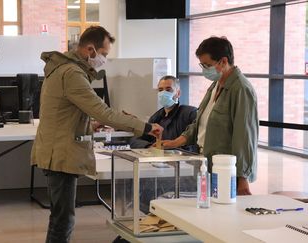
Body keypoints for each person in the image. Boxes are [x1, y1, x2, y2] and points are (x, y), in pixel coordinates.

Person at [31, 26, 163, 243]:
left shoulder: (62, 68)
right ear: (90, 50)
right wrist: (146, 127)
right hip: (60, 155)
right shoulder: (71, 73)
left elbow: (63, 116)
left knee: (60, 216)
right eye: (105, 54)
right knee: (63, 220)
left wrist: (91, 124)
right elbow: (104, 111)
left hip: (56, 150)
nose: (105, 60)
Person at [162, 36, 258, 195]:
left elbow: (244, 137)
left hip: (226, 168)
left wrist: (242, 178)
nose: (204, 70)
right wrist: (175, 142)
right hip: (206, 163)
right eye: (202, 65)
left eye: (207, 65)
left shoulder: (241, 89)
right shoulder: (215, 85)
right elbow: (200, 123)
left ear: (223, 61)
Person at [130, 75, 197, 152]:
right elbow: (136, 140)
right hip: (161, 161)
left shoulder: (190, 113)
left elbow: (196, 138)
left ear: (178, 93)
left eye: (168, 90)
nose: (163, 93)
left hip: (185, 161)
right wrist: (149, 146)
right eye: (160, 90)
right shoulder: (156, 117)